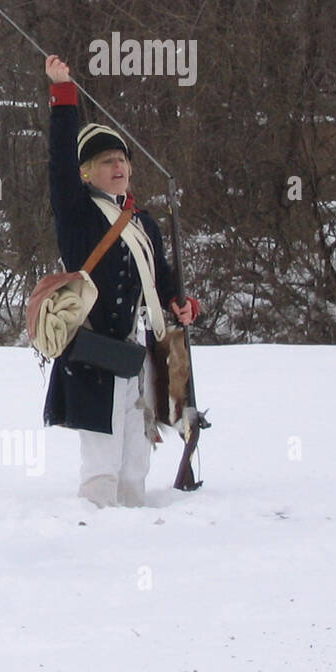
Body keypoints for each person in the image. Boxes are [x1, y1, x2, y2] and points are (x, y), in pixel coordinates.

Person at [43, 55, 200, 506]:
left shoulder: (143, 224)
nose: (119, 167)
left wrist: (179, 303)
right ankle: (96, 545)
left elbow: (162, 278)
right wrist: (62, 95)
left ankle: (133, 541)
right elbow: (58, 162)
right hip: (94, 355)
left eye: (123, 160)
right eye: (107, 160)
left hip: (138, 354)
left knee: (136, 464)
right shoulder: (79, 216)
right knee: (101, 467)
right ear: (85, 172)